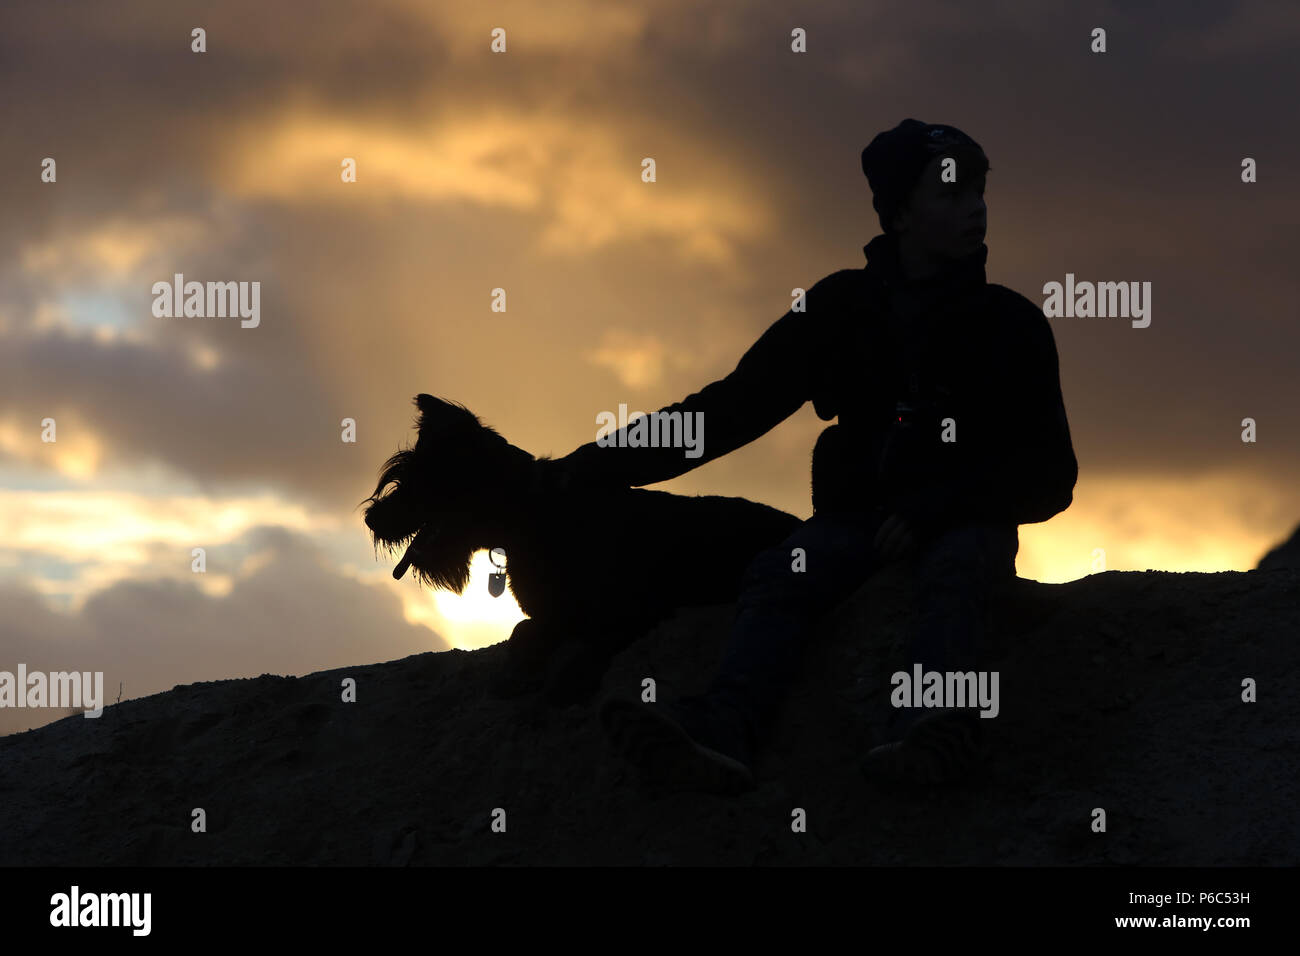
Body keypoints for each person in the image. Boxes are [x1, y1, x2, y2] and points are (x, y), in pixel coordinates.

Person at [539, 118, 1078, 793]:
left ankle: (934, 732)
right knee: (781, 572)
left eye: (979, 191)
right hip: (855, 526)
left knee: (960, 566)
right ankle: (722, 730)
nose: (976, 209)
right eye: (951, 193)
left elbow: (1051, 474)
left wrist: (938, 508)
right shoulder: (839, 308)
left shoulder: (1011, 324)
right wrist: (589, 466)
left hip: (966, 521)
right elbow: (731, 410)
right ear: (900, 213)